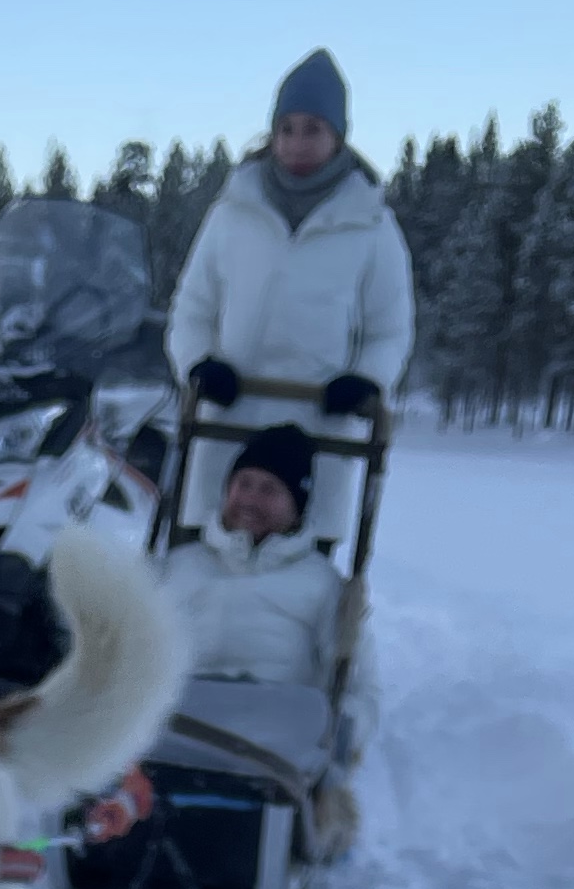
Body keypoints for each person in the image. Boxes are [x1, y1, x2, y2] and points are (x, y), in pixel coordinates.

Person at [164, 49, 414, 531]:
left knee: (298, 574)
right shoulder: (232, 212)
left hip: (319, 428)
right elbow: (192, 308)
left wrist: (367, 380)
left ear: (338, 136)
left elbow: (390, 328)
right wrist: (198, 363)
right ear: (273, 133)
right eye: (287, 128)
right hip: (226, 419)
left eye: (313, 129)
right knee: (202, 559)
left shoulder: (371, 225)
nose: (298, 143)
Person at [177, 423, 343, 687]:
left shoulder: (323, 582)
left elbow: (356, 684)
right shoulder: (180, 565)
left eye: (269, 490)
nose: (250, 499)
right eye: (243, 484)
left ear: (296, 508)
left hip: (275, 718)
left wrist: (345, 724)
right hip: (178, 715)